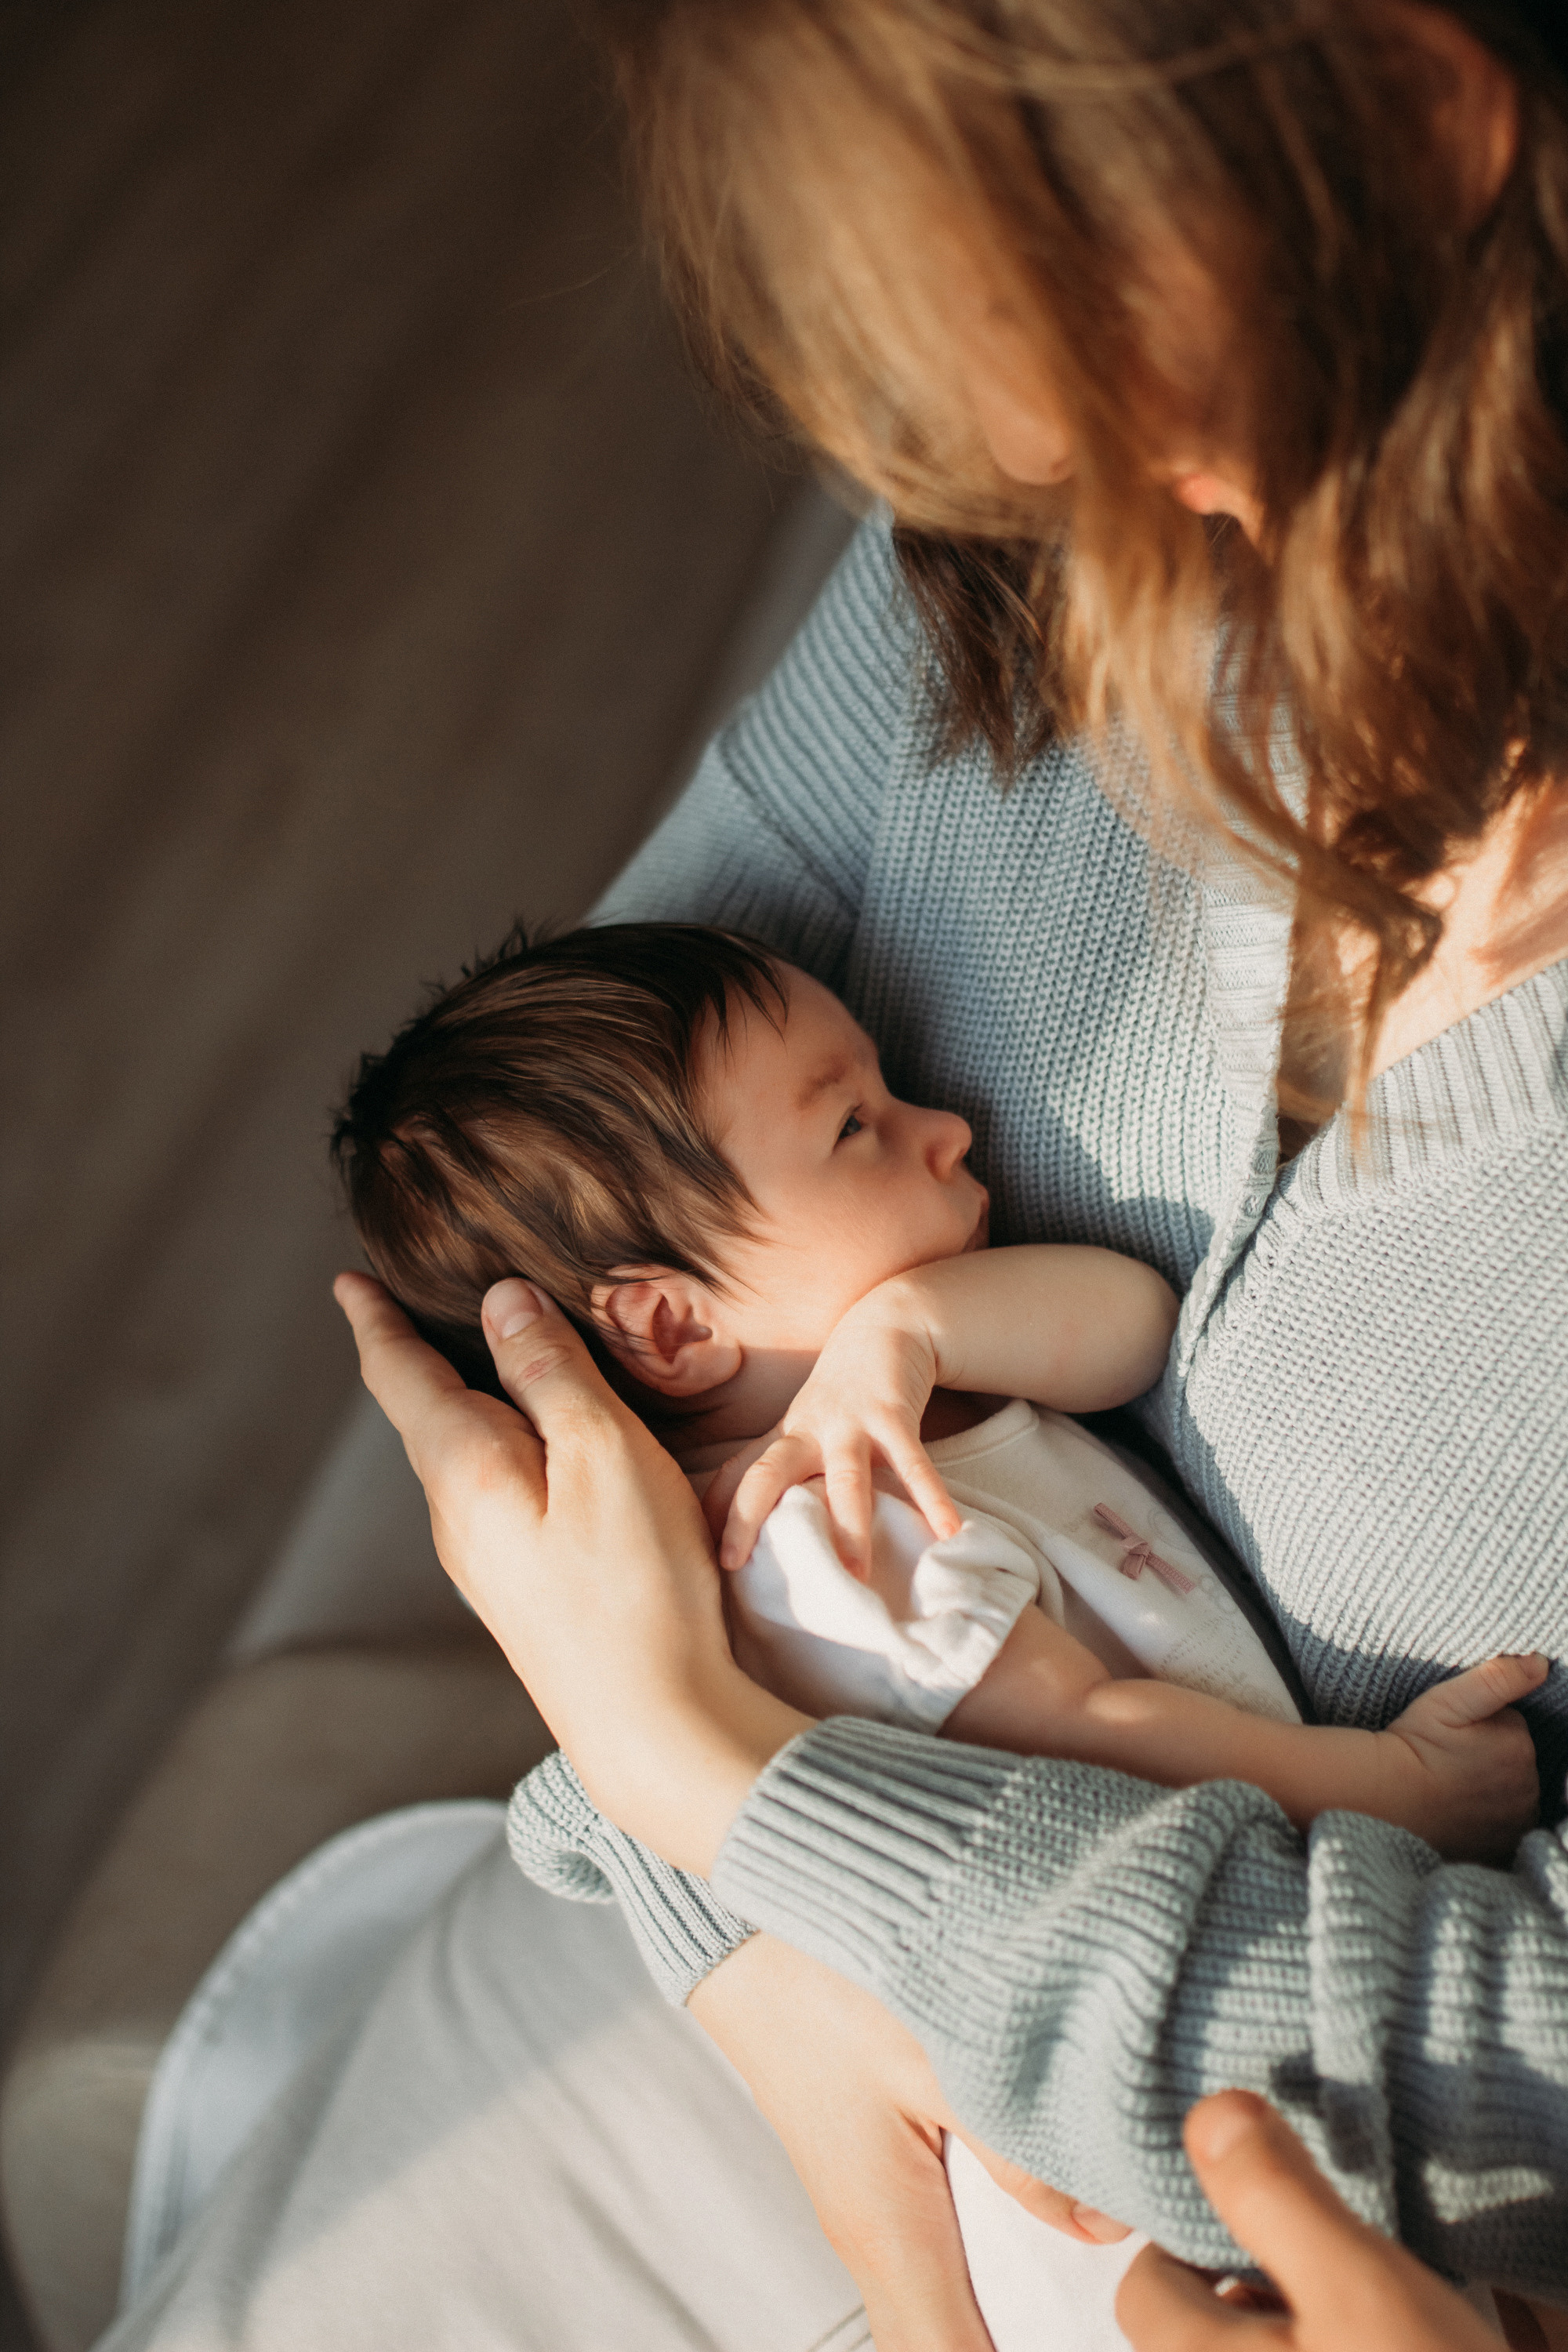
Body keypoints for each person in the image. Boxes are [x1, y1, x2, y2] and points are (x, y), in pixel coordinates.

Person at [104, 2, 1568, 2347]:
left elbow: (1518, 2050)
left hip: (1286, 2183)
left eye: (1034, 277)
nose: (995, 454)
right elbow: (557, 1277)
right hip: (712, 1962)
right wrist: (722, 1907)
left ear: (1408, 108)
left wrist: (710, 1769)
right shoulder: (1039, 533)